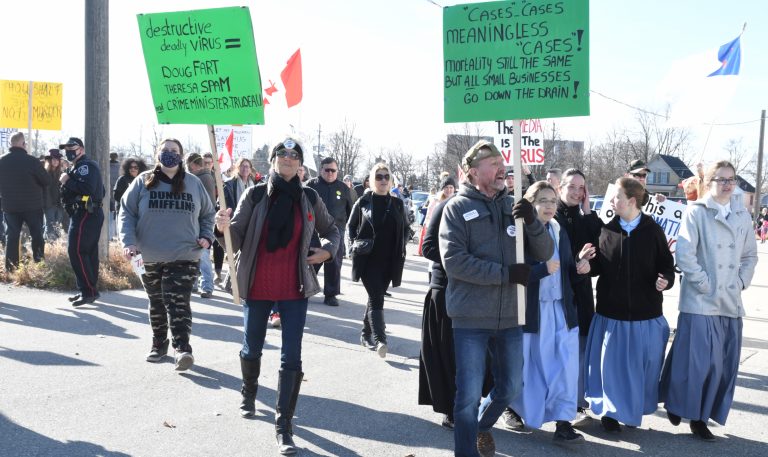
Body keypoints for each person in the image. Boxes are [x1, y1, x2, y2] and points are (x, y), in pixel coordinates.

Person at [213, 138, 339, 455]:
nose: (288, 158)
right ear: (272, 161)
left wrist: (327, 251)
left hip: (294, 288)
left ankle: (284, 425)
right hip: (257, 284)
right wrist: (222, 228)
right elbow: (236, 237)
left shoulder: (309, 197)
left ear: (300, 164)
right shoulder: (255, 195)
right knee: (251, 345)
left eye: (294, 155)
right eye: (282, 154)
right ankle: (249, 389)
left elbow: (332, 230)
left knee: (291, 356)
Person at [439, 140, 553, 457]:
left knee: (510, 388)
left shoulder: (512, 206)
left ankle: (481, 426)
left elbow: (545, 253)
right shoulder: (456, 209)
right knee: (467, 396)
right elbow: (455, 262)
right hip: (471, 318)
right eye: (494, 163)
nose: (502, 168)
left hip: (511, 317)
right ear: (474, 172)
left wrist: (531, 221)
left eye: (503, 162)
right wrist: (505, 274)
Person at [659, 161, 758, 441]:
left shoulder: (742, 215)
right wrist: (704, 283)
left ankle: (699, 413)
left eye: (731, 179)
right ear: (709, 181)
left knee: (719, 364)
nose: (727, 184)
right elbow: (685, 254)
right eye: (721, 179)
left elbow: (750, 255)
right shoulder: (696, 212)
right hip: (701, 299)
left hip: (730, 300)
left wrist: (740, 282)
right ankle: (687, 409)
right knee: (695, 360)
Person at [584, 177, 675, 433]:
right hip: (611, 315)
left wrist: (665, 281)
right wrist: (586, 266)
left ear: (632, 201)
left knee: (639, 371)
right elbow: (598, 267)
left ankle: (631, 410)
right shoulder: (606, 231)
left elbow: (667, 266)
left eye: (616, 198)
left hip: (645, 315)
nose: (612, 201)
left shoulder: (653, 231)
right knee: (611, 370)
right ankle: (610, 414)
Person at [507, 181, 594, 445]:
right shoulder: (519, 232)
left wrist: (580, 267)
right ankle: (513, 409)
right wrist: (542, 269)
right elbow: (512, 273)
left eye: (553, 201)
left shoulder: (559, 229)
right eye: (543, 200)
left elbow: (566, 270)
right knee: (531, 367)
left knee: (565, 368)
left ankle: (563, 423)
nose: (549, 206)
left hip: (560, 310)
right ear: (531, 204)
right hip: (533, 312)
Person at [119, 139, 215, 371]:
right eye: (165, 150)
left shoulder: (193, 183)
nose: (169, 154)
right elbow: (127, 213)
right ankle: (159, 343)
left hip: (184, 254)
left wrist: (206, 235)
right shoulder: (142, 182)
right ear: (157, 154)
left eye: (174, 151)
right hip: (147, 255)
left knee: (178, 301)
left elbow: (207, 213)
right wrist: (128, 242)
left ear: (181, 156)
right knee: (157, 301)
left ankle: (182, 348)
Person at [553, 168, 603, 422]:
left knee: (581, 349)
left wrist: (589, 211)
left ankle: (575, 401)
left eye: (581, 188)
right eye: (571, 186)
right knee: (559, 352)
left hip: (582, 294)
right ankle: (559, 405)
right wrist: (577, 262)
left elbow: (601, 248)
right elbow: (553, 257)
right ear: (560, 187)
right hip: (559, 294)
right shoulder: (553, 215)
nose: (576, 192)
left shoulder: (584, 217)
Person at [347, 163, 410, 358]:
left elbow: (406, 228)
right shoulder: (364, 201)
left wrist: (402, 245)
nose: (383, 180)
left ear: (390, 180)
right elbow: (350, 227)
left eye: (386, 176)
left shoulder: (398, 204)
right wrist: (352, 249)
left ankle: (365, 334)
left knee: (375, 298)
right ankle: (381, 339)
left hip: (390, 261)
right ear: (372, 180)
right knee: (376, 298)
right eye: (378, 177)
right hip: (367, 260)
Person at [59, 137, 105, 306]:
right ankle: (89, 290)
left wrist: (67, 181)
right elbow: (101, 189)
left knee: (77, 251)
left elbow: (88, 188)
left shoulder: (85, 166)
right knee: (87, 252)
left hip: (87, 212)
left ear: (82, 150)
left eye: (73, 147)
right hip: (87, 212)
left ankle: (88, 291)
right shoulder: (78, 167)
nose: (69, 150)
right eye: (67, 148)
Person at [307, 157, 356, 307]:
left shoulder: (343, 188)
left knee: (334, 263)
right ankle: (304, 289)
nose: (330, 173)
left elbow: (350, 209)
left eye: (333, 170)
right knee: (310, 261)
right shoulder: (311, 186)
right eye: (327, 170)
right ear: (321, 170)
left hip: (335, 231)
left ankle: (331, 294)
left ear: (337, 171)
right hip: (313, 230)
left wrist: (341, 226)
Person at [0, 132, 51, 271]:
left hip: (10, 207)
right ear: (23, 144)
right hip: (32, 206)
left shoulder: (1, 161)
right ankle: (39, 264)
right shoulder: (32, 161)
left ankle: (11, 268)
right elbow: (46, 180)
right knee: (37, 235)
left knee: (12, 237)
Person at [187, 152, 217, 298]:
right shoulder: (199, 177)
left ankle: (207, 286)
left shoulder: (204, 178)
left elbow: (207, 205)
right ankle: (194, 283)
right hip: (194, 222)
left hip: (202, 222)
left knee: (203, 255)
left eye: (188, 165)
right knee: (194, 255)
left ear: (194, 164)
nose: (187, 168)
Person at [42, 149, 66, 241]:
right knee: (50, 226)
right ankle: (49, 246)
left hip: (59, 204)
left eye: (57, 159)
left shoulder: (61, 173)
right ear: (49, 160)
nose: (56, 161)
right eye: (53, 159)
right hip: (48, 204)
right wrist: (46, 204)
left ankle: (54, 246)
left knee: (57, 226)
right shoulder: (45, 173)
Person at [108, 152, 120, 240]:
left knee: (110, 215)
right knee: (114, 215)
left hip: (109, 194)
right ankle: (113, 235)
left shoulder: (105, 165)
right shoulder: (120, 167)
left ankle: (110, 236)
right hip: (115, 194)